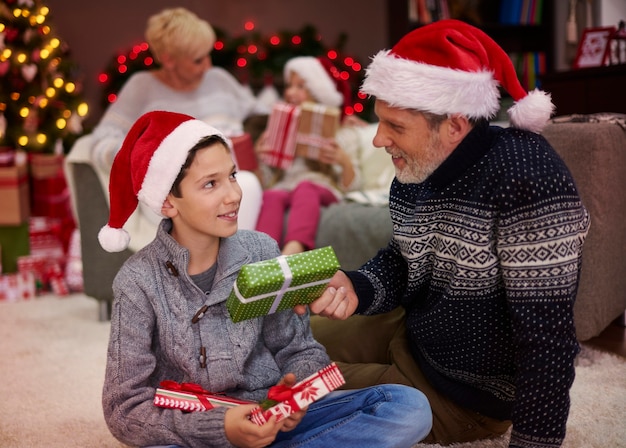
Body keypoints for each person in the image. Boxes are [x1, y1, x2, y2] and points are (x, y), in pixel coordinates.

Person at [302, 19, 591, 448]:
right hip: (414, 336)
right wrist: (356, 286)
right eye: (379, 121)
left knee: (284, 384)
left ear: (454, 125)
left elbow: (547, 343)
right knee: (284, 339)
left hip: (464, 397)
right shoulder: (416, 168)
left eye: (395, 126)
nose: (380, 139)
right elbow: (404, 260)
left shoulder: (528, 180)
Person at [99, 110, 432, 448]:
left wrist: (296, 396)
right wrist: (222, 428)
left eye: (232, 175)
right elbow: (124, 410)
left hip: (272, 420)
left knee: (408, 407)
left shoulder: (261, 249)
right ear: (168, 201)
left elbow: (300, 349)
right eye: (211, 184)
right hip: (196, 434)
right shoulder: (137, 282)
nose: (233, 194)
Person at [89, 7, 265, 239]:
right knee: (243, 188)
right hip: (175, 192)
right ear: (168, 59)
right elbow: (100, 142)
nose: (208, 66)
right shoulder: (142, 88)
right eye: (197, 60)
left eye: (208, 55)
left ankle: (229, 269)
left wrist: (263, 138)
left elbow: (260, 116)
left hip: (229, 179)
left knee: (247, 186)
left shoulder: (219, 80)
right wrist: (150, 157)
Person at [255, 56, 361, 255]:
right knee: (271, 195)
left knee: (305, 188)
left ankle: (294, 250)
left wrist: (343, 161)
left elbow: (353, 187)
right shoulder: (278, 128)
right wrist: (261, 158)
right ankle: (262, 257)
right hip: (285, 186)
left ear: (317, 91)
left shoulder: (343, 133)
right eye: (289, 85)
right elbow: (267, 182)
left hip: (320, 186)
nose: (290, 92)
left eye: (301, 86)